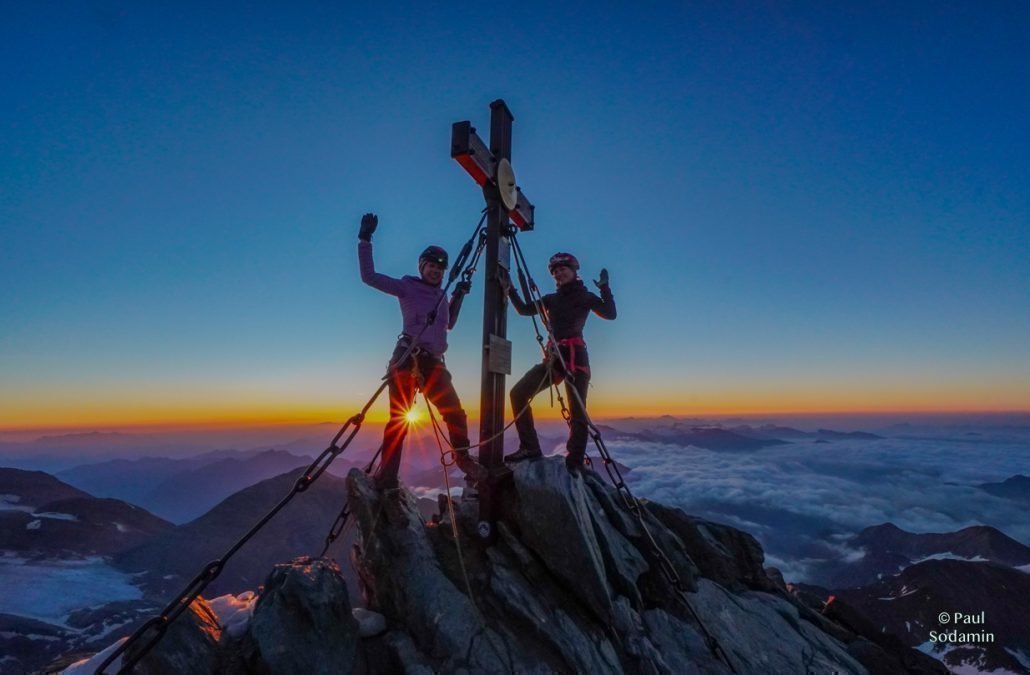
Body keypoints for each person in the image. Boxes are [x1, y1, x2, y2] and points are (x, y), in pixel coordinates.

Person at [357, 212, 484, 490]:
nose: (436, 271)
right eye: (431, 267)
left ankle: (462, 459)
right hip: (406, 359)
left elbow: (447, 324)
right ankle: (386, 477)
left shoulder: (441, 295)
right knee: (399, 420)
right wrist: (365, 238)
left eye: (440, 268)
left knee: (455, 412)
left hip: (433, 363)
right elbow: (369, 277)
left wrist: (457, 296)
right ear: (421, 267)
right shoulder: (407, 287)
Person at [504, 252, 617, 472]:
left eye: (562, 269)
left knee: (577, 410)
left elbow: (610, 313)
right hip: (555, 358)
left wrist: (604, 288)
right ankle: (530, 448)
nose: (558, 274)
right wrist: (511, 290)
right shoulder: (551, 299)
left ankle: (574, 461)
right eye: (555, 272)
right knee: (518, 393)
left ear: (574, 271)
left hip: (575, 356)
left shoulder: (585, 296)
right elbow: (524, 310)